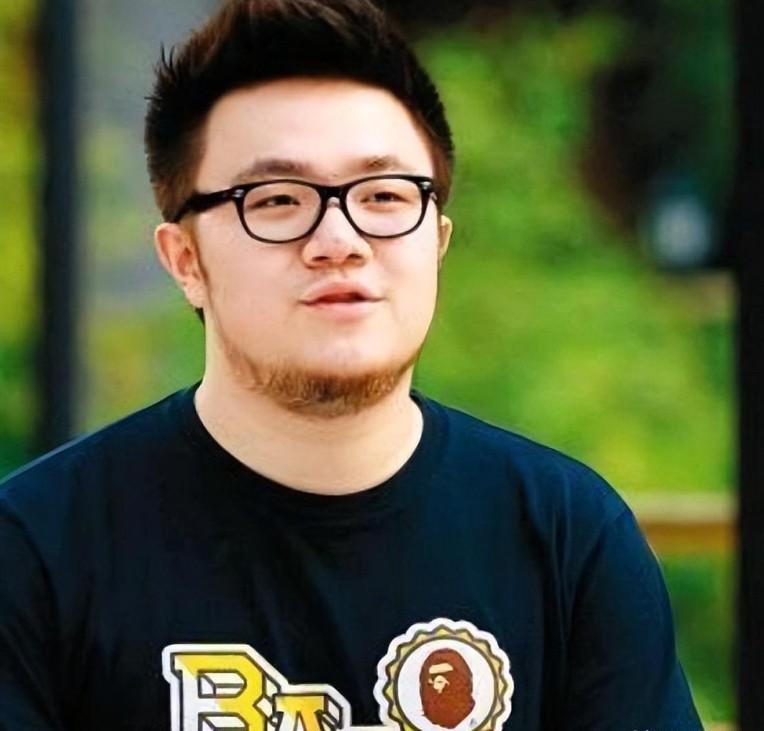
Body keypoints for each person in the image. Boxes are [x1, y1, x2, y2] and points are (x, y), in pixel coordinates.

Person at [0, 1, 703, 729]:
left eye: (384, 196)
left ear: (437, 240)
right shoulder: (35, 551)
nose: (339, 239)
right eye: (276, 199)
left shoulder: (566, 539)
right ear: (186, 261)